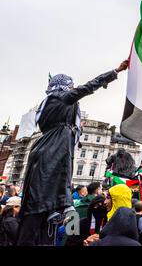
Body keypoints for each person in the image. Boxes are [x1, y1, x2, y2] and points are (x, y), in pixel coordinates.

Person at [17, 60, 128, 246]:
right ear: (64, 87)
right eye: (70, 86)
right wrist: (115, 71)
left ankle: (54, 210)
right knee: (43, 199)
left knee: (41, 202)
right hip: (53, 150)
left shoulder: (52, 106)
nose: (73, 89)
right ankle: (57, 208)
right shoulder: (61, 98)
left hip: (46, 149)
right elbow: (87, 87)